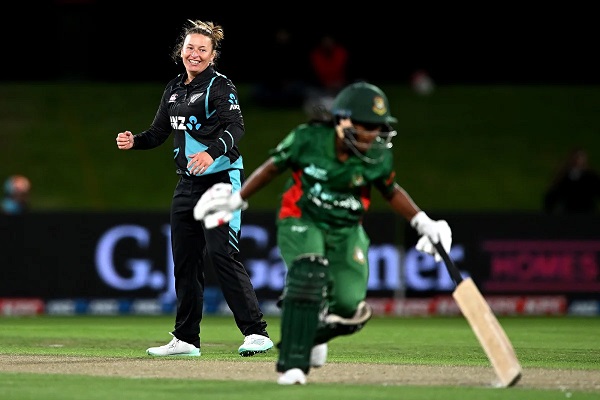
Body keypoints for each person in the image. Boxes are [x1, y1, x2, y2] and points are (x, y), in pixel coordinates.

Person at [193, 81, 453, 384]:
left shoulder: (377, 155)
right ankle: (293, 364)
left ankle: (314, 329)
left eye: (377, 127)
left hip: (346, 229)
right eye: (366, 125)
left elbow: (390, 190)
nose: (372, 134)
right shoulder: (309, 139)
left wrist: (423, 222)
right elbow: (273, 167)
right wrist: (238, 199)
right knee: (309, 271)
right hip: (302, 218)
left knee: (349, 308)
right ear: (342, 121)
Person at [114, 19, 273, 357]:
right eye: (190, 48)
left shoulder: (220, 85)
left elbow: (236, 127)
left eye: (203, 49)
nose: (195, 54)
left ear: (213, 55)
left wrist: (211, 153)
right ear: (180, 51)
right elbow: (158, 133)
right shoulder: (174, 87)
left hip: (220, 180)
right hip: (187, 183)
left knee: (221, 253)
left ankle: (256, 333)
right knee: (185, 261)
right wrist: (135, 141)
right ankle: (186, 339)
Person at [544, 148, 600, 214]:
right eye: (575, 158)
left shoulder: (590, 176)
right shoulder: (564, 176)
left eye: (579, 158)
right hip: (569, 211)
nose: (577, 161)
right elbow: (555, 193)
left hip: (587, 211)